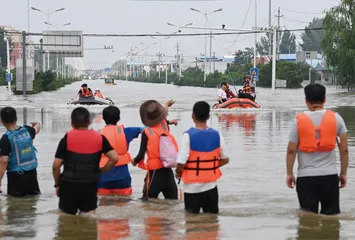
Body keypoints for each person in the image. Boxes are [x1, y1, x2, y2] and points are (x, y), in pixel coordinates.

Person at [286, 83, 348, 215]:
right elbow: (344, 149)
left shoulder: (298, 120)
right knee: (331, 220)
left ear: (306, 101)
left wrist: (289, 173)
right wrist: (343, 173)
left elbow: (291, 150)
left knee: (308, 220)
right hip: (329, 177)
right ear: (324, 99)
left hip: (306, 178)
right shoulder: (337, 119)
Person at [52, 107, 118, 215]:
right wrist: (101, 171)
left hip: (68, 185)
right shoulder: (100, 138)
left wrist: (57, 185)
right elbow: (114, 158)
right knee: (89, 217)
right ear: (89, 122)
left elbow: (56, 166)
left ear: (72, 123)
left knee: (66, 220)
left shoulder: (67, 139)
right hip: (90, 185)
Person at [175, 101, 229, 214]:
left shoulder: (187, 136)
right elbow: (225, 159)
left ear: (192, 115)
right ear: (209, 116)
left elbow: (181, 162)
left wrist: (178, 173)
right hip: (211, 187)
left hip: (191, 189)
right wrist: (210, 165)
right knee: (212, 224)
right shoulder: (217, 135)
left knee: (192, 225)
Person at [131, 100, 179, 200]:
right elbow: (163, 119)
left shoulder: (146, 132)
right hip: (167, 169)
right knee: (172, 201)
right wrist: (166, 106)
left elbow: (141, 155)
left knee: (147, 200)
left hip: (155, 171)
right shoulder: (164, 126)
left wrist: (134, 161)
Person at [97, 106, 145, 196]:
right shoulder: (127, 132)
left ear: (103, 118)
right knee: (123, 206)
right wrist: (167, 121)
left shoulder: (97, 134)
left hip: (103, 179)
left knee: (104, 206)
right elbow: (146, 128)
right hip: (122, 179)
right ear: (119, 118)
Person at [0, 107, 41, 197]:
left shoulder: (5, 139)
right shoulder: (27, 130)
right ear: (16, 118)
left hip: (16, 178)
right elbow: (36, 129)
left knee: (15, 206)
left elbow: (4, 161)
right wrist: (37, 123)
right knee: (32, 204)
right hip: (32, 175)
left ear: (2, 121)